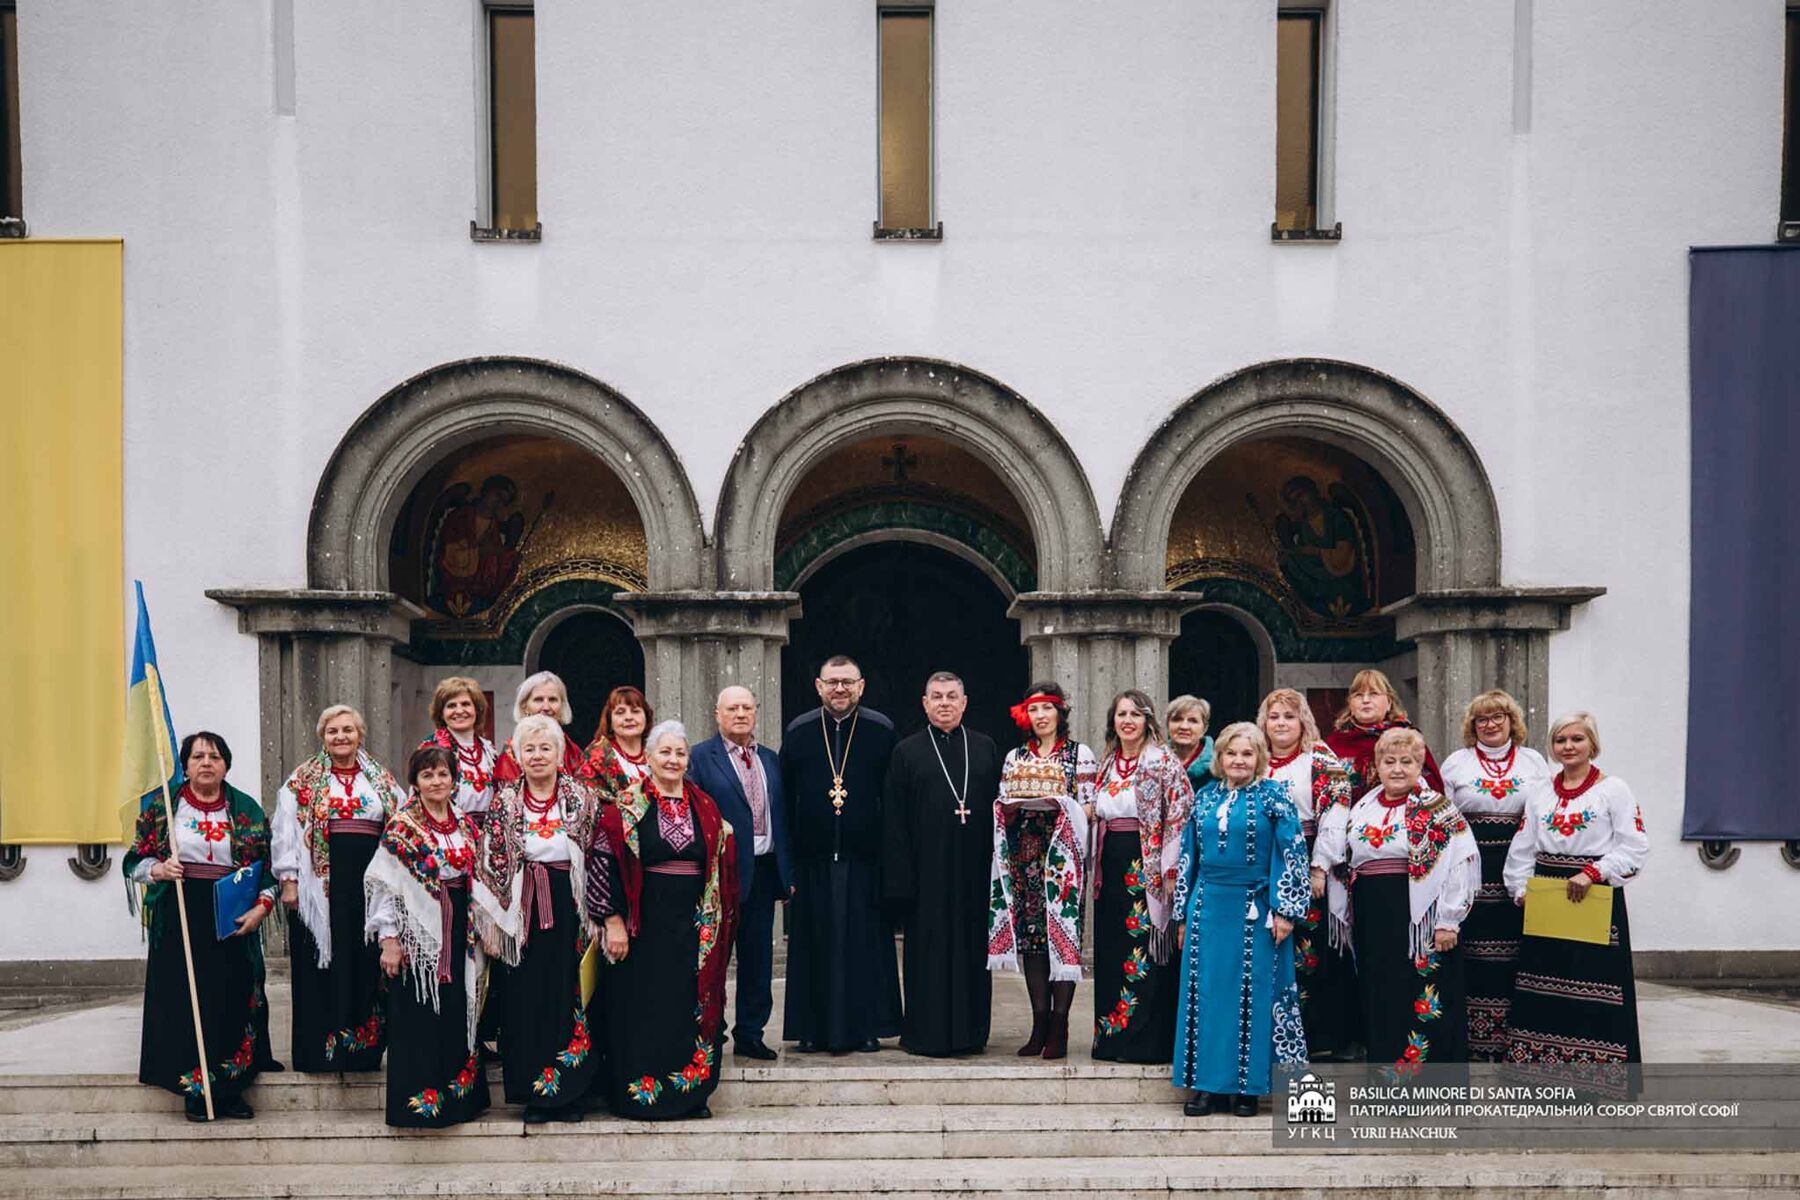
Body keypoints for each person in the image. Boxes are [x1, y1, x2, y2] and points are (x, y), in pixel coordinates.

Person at [586, 720, 739, 1119]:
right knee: (641, 1007)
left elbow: (719, 864)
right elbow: (603, 863)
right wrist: (613, 921)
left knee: (686, 1006)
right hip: (641, 927)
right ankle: (638, 1096)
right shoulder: (625, 805)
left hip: (690, 928)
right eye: (665, 752)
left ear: (689, 759)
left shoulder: (705, 806)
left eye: (680, 753)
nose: (673, 760)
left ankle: (688, 1095)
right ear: (649, 758)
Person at [125, 731, 275, 1121]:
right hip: (179, 912)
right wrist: (158, 869)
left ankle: (230, 1089)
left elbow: (269, 870)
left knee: (230, 998)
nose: (206, 763)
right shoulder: (165, 808)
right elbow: (134, 861)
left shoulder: (247, 810)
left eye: (214, 756)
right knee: (186, 1001)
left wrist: (261, 908)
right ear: (185, 765)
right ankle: (195, 1091)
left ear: (226, 764)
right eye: (197, 756)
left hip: (231, 913)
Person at [1312, 726, 1478, 1071]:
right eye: (1389, 761)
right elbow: (1343, 858)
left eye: (1407, 761)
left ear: (1420, 766)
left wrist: (1449, 920)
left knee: (1422, 996)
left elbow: (1461, 862)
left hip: (1419, 918)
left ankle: (1429, 1089)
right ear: (1377, 766)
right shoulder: (1362, 807)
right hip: (1373, 916)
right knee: (1380, 997)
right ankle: (1388, 1089)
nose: (1398, 769)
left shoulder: (1438, 808)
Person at [1171, 722, 1309, 1117]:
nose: (1238, 760)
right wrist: (1182, 913)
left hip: (1256, 910)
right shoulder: (1204, 798)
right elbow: (1188, 858)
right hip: (1208, 906)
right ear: (1220, 757)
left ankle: (1247, 1090)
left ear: (1259, 758)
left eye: (1247, 754)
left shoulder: (1275, 797)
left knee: (1252, 994)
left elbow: (1293, 853)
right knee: (1207, 994)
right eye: (1232, 753)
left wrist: (1285, 909)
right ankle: (1206, 1087)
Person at [470, 713, 602, 1122]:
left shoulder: (583, 798)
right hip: (520, 916)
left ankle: (572, 1094)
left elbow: (599, 856)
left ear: (560, 754)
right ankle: (535, 1096)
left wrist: (600, 913)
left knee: (571, 998)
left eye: (546, 748)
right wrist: (490, 925)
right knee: (524, 1000)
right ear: (518, 754)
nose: (538, 755)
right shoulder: (504, 802)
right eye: (530, 749)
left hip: (571, 911)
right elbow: (487, 864)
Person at [1503, 711, 1647, 1080]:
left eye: (1577, 739)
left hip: (1593, 896)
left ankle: (1596, 1078)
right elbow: (1523, 846)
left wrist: (1593, 872)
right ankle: (1541, 1076)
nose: (1568, 746)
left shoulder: (1613, 790)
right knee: (1547, 987)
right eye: (1561, 740)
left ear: (1592, 744)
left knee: (1592, 987)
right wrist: (1521, 890)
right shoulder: (1540, 792)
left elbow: (1634, 847)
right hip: (1548, 898)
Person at [780, 654, 901, 1054]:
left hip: (865, 860)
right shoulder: (798, 732)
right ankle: (811, 1030)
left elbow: (892, 800)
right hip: (812, 861)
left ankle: (866, 1028)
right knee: (813, 947)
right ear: (818, 686)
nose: (840, 689)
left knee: (864, 948)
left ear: (861, 686)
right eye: (832, 681)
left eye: (847, 682)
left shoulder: (880, 731)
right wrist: (789, 866)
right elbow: (784, 800)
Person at [364, 745, 490, 1128]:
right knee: (419, 1013)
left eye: (443, 774)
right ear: (415, 783)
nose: (436, 781)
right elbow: (385, 885)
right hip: (416, 935)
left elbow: (480, 880)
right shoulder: (402, 827)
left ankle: (460, 1101)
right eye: (427, 775)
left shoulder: (467, 826)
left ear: (455, 780)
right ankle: (419, 1105)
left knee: (456, 1010)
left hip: (458, 930)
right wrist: (389, 939)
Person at [273, 704, 404, 1073]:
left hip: (368, 887)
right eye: (333, 731)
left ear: (361, 734)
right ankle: (319, 1054)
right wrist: (288, 881)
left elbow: (401, 827)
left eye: (348, 729)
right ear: (322, 737)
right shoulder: (302, 781)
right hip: (319, 889)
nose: (341, 736)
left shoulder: (383, 780)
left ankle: (361, 1053)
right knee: (321, 967)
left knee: (364, 966)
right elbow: (285, 832)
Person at [882, 671, 1003, 1057]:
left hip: (976, 870)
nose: (945, 703)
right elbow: (894, 822)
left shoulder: (985, 748)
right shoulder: (906, 751)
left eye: (952, 696)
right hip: (926, 873)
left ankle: (972, 1033)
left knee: (972, 952)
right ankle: (925, 1033)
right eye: (937, 696)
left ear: (965, 703)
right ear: (925, 703)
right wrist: (900, 882)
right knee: (928, 953)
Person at [987, 681, 1097, 1061]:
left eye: (1047, 709)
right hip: (1026, 856)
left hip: (1062, 857)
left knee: (1062, 936)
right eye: (1034, 710)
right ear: (1026, 716)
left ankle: (1060, 1025)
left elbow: (1090, 806)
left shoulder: (1078, 755)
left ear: (1059, 713)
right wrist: (1015, 807)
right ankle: (1038, 1022)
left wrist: (1060, 805)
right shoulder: (1016, 757)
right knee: (1033, 941)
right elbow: (1004, 801)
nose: (1041, 717)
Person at [1440, 689, 1552, 1061]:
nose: (1490, 725)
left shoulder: (1534, 761)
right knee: (1472, 952)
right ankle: (1472, 1040)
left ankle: (1513, 1040)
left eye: (1497, 718)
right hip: (1471, 864)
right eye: (1481, 720)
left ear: (1512, 722)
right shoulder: (1457, 762)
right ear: (1472, 726)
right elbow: (1442, 817)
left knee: (1516, 951)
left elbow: (1546, 811)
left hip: (1518, 862)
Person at [687, 684, 792, 1060]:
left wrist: (787, 871)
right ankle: (711, 1032)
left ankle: (751, 1032)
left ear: (756, 712)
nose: (740, 714)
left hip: (763, 872)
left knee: (757, 957)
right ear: (717, 714)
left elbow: (783, 816)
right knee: (714, 957)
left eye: (747, 707)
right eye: (732, 708)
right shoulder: (699, 758)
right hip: (721, 872)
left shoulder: (771, 759)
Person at [1090, 690, 1193, 1065]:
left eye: (1136, 713)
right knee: (1113, 948)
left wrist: (1170, 871)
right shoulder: (1107, 763)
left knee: (1146, 947)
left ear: (1148, 720)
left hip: (1146, 866)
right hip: (1111, 867)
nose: (1127, 720)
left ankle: (1146, 1043)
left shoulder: (1163, 762)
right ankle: (1111, 1039)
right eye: (1121, 714)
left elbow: (1180, 818)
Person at [1256, 687, 1356, 1061]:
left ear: (1303, 722)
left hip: (1310, 858)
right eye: (1274, 716)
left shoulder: (1319, 758)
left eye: (1289, 716)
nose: (1280, 724)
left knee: (1311, 953)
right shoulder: (1255, 757)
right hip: (1263, 865)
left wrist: (1319, 868)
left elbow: (1335, 813)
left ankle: (1319, 1038)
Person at [1324, 668, 1443, 797]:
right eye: (1358, 695)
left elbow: (1432, 787)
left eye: (1373, 694)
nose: (1365, 700)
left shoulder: (1408, 739)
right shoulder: (1334, 742)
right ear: (1350, 705)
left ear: (1389, 703)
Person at [420, 676, 498, 816]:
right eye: (451, 706)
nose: (459, 711)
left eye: (465, 704)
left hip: (488, 832)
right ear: (441, 713)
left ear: (477, 710)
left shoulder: (489, 750)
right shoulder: (430, 749)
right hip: (449, 829)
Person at [491, 671, 587, 783]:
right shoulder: (512, 751)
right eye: (538, 700)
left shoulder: (572, 749)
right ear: (524, 706)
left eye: (552, 700)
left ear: (562, 706)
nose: (546, 707)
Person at [584, 685, 655, 801]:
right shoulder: (597, 756)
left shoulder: (657, 753)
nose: (628, 717)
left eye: (635, 711)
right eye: (620, 712)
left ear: (646, 718)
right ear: (610, 721)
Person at [1167, 694, 1215, 787]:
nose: (1184, 726)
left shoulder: (1217, 765)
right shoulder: (1154, 760)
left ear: (1204, 728)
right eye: (1177, 719)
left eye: (1193, 721)